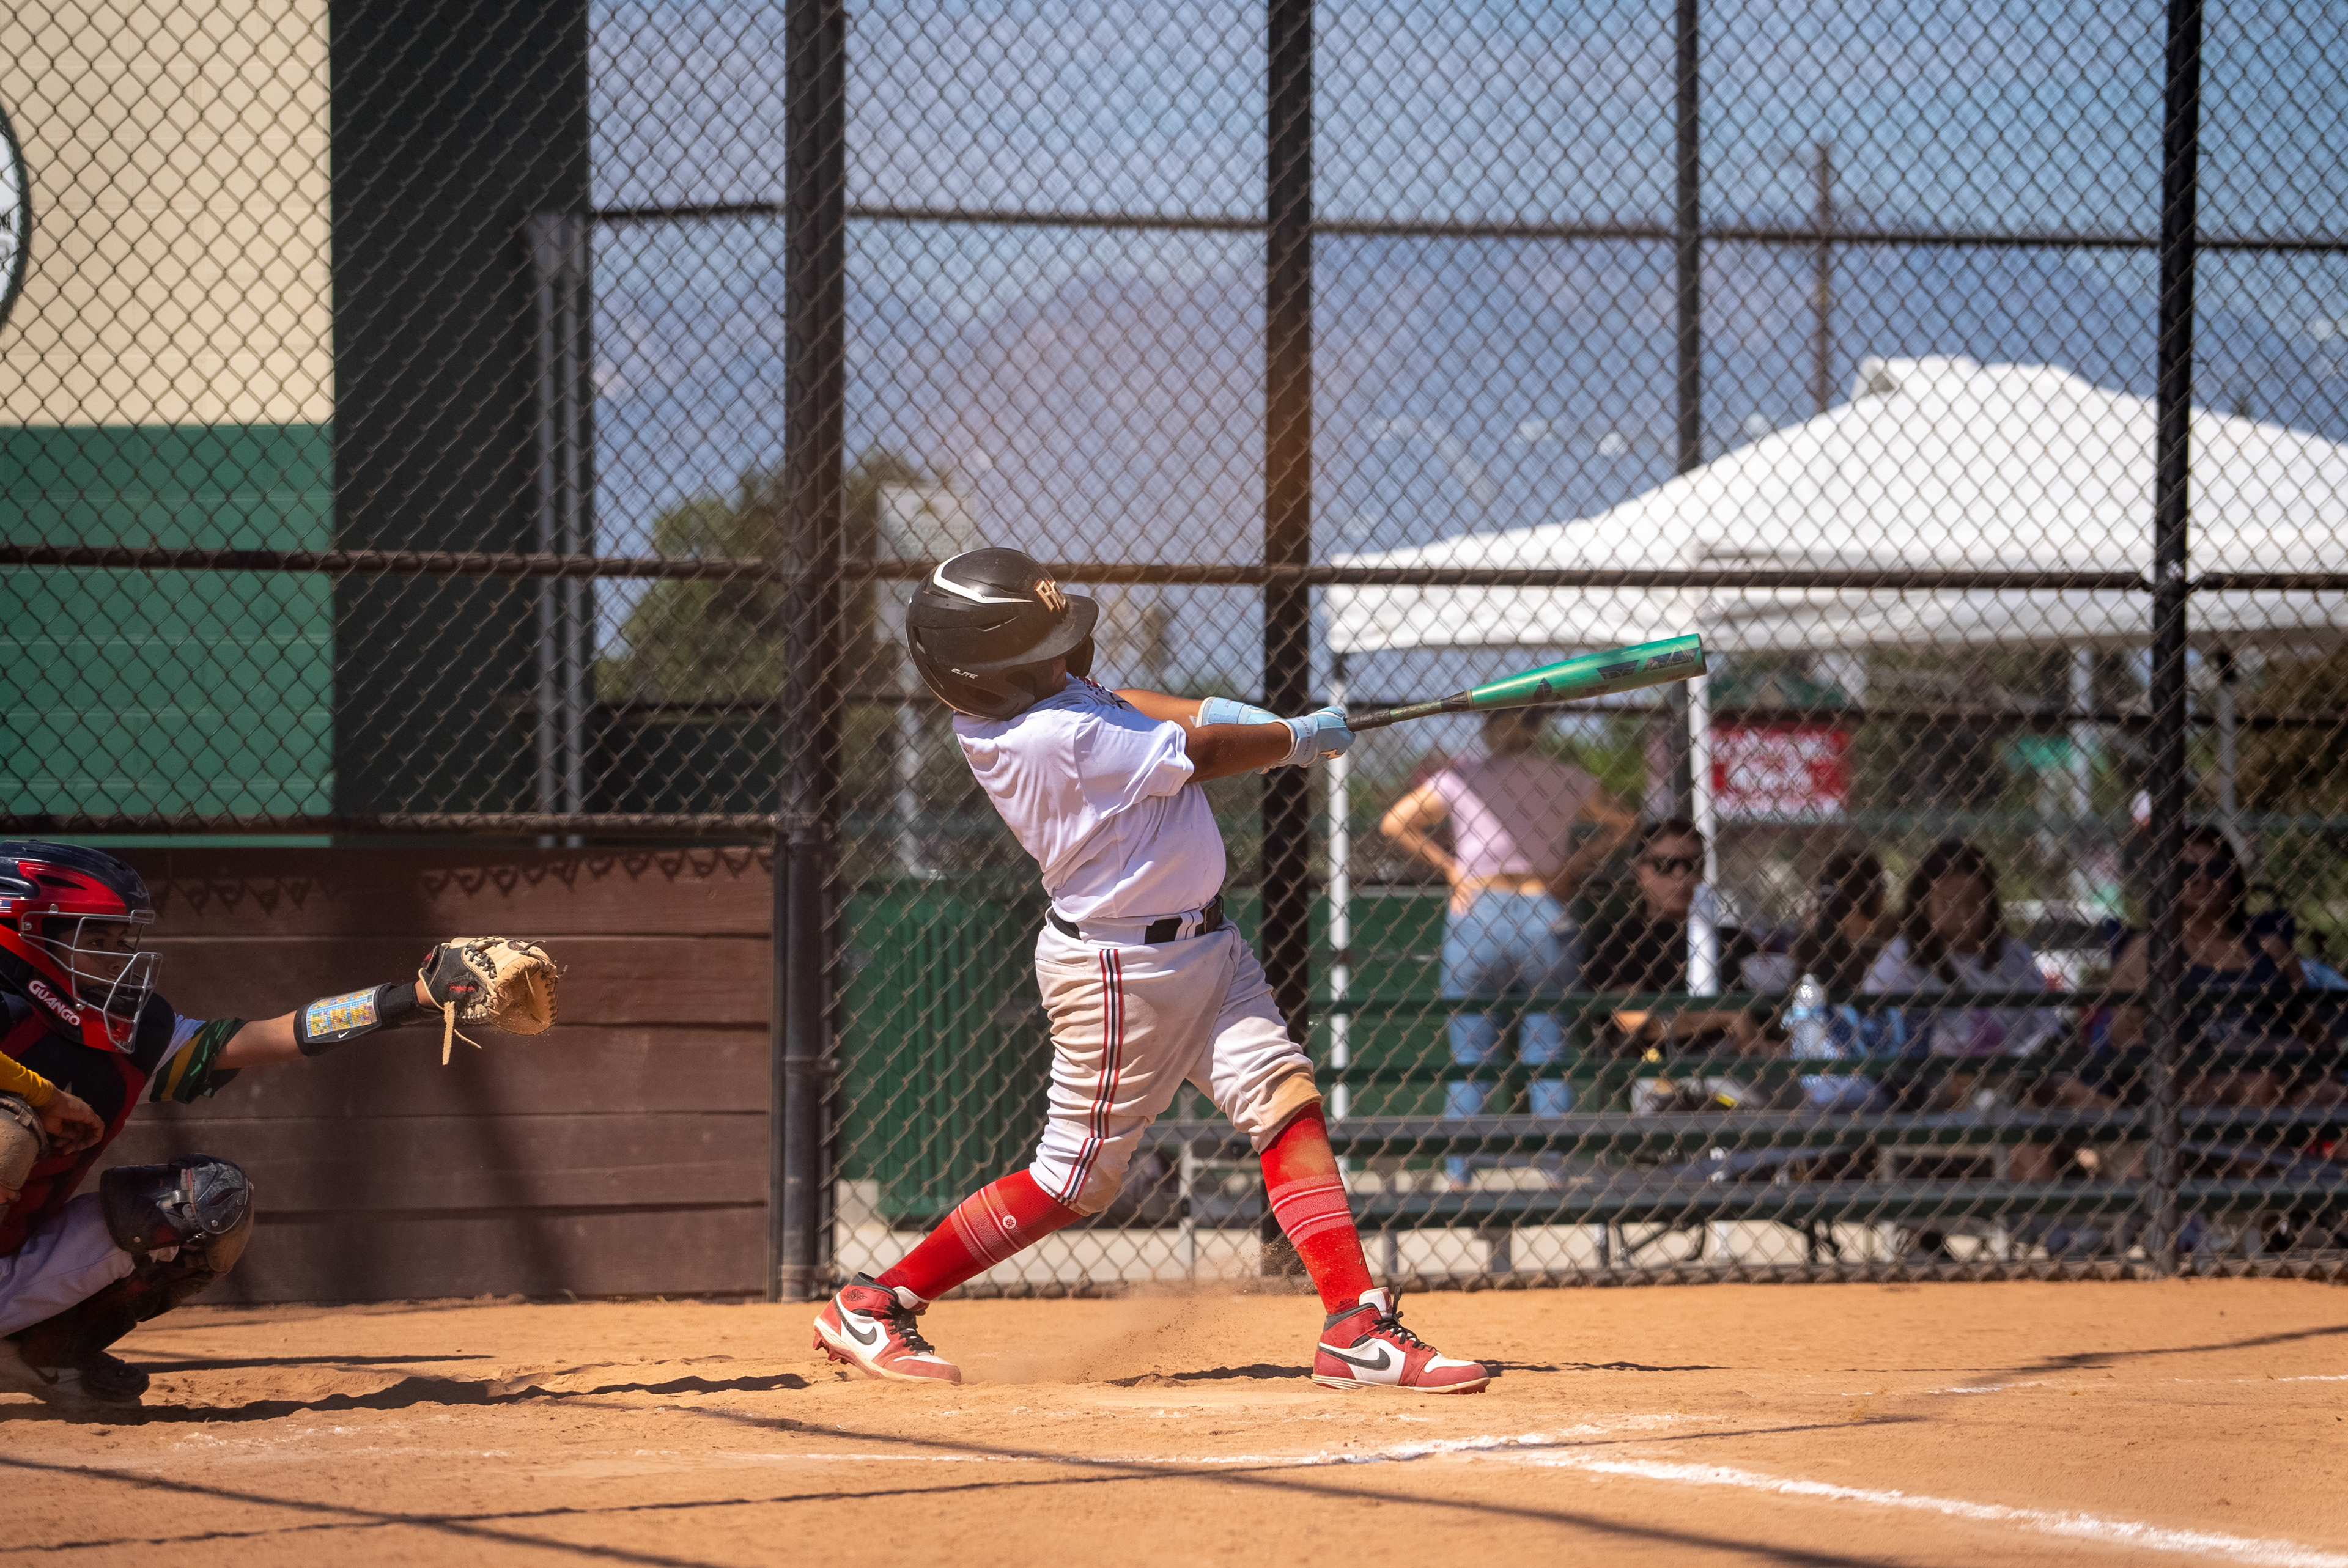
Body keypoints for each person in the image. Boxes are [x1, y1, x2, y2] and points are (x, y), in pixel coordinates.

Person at [811, 548, 1490, 1394]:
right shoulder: (1048, 737)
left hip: (1207, 947)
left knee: (1285, 1100)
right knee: (1073, 1183)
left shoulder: (1046, 701)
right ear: (990, 675)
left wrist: (1255, 718)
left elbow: (1135, 704)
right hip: (1122, 971)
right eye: (1042, 652)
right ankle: (875, 1302)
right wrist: (1291, 739)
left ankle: (1355, 1326)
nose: (1066, 660)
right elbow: (1197, 750)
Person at [0, 841, 523, 1415]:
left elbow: (270, 1036)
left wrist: (411, 998)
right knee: (9, 1128)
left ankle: (39, 1352)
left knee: (205, 1202)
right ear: (19, 933)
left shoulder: (128, 1030)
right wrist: (39, 1096)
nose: (116, 958)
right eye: (94, 940)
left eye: (119, 940)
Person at [1378, 707, 1635, 1146]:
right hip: (1545, 907)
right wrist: (1571, 866)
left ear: (1488, 729)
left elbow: (1395, 822)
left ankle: (1460, 1170)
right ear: (1539, 728)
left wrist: (1452, 868)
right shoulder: (1564, 776)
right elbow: (1624, 821)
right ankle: (1555, 1169)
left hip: (1479, 909)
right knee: (1548, 1053)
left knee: (1471, 1057)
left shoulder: (1463, 777)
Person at [2105, 826, 2338, 1108]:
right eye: (2188, 871)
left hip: (2283, 1069)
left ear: (2233, 877)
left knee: (2329, 1095)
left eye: (2215, 869)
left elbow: (2314, 1029)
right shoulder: (2150, 950)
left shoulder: (2271, 948)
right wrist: (2182, 1072)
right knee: (2261, 1084)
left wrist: (2326, 1070)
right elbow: (2125, 1036)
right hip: (2201, 1081)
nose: (2203, 879)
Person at [1863, 839, 2062, 1099]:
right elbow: (1878, 1035)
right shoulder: (1901, 957)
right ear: (1923, 904)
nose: (1964, 916)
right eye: (1949, 904)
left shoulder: (2014, 955)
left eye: (1974, 904)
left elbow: (2047, 1028)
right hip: (1936, 1091)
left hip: (2017, 1081)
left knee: (2065, 1090)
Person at [1581, 817, 1763, 1057]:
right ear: (1639, 873)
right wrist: (1724, 1015)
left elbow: (1771, 1022)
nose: (1680, 875)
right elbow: (1634, 1020)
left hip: (1743, 1066)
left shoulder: (1733, 940)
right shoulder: (1620, 935)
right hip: (1659, 1068)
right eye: (1664, 865)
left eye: (1692, 865)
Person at [1748, 845, 1896, 1112]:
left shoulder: (1885, 946)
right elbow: (1802, 1008)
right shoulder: (1821, 949)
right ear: (1878, 898)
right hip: (1855, 1071)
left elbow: (1798, 1014)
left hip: (1838, 1071)